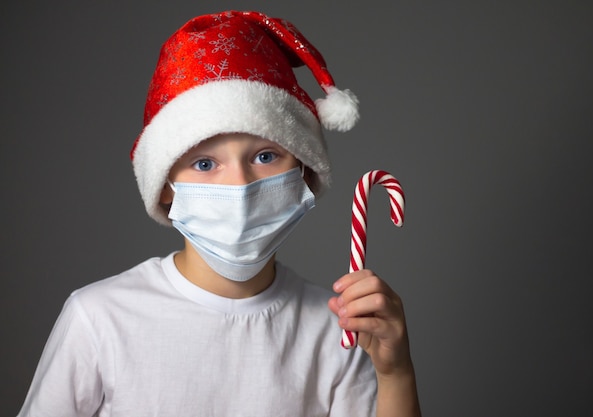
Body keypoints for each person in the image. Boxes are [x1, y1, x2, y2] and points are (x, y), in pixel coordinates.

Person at [18, 10, 421, 417]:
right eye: (205, 164)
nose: (240, 186)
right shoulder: (99, 319)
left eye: (266, 156)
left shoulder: (340, 330)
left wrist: (396, 374)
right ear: (164, 188)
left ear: (305, 172)